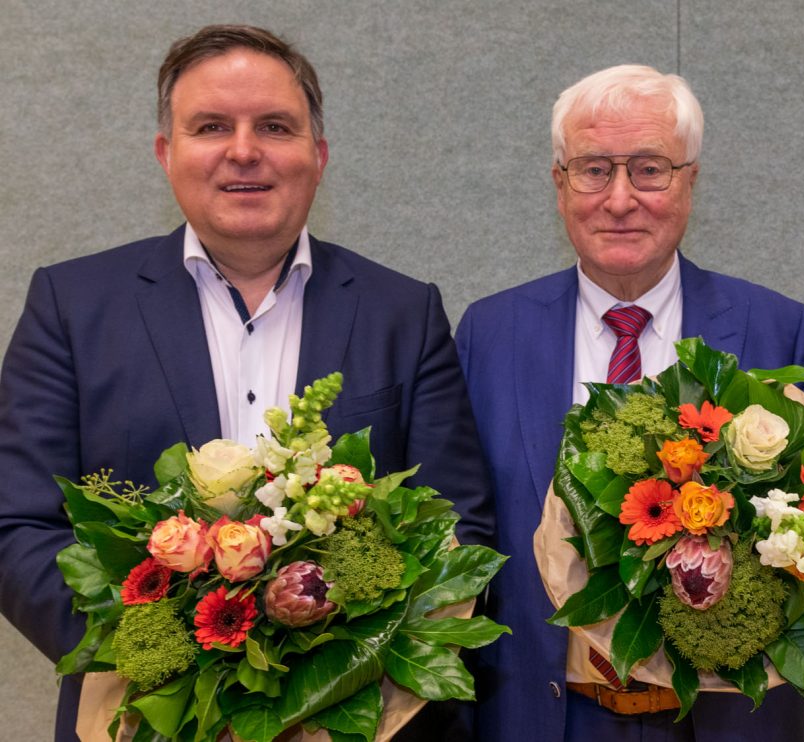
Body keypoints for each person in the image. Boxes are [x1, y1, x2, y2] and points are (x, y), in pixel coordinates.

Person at [0, 25, 492, 741]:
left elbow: (458, 526)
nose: (243, 150)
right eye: (210, 126)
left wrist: (336, 666)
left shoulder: (402, 313)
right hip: (142, 716)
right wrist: (164, 654)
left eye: (274, 126)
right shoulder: (71, 306)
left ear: (317, 155)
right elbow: (18, 526)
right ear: (166, 154)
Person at [456, 64, 804, 741]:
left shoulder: (775, 326)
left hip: (718, 719)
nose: (620, 198)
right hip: (544, 713)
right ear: (559, 184)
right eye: (594, 169)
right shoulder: (489, 333)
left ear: (691, 181)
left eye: (650, 169)